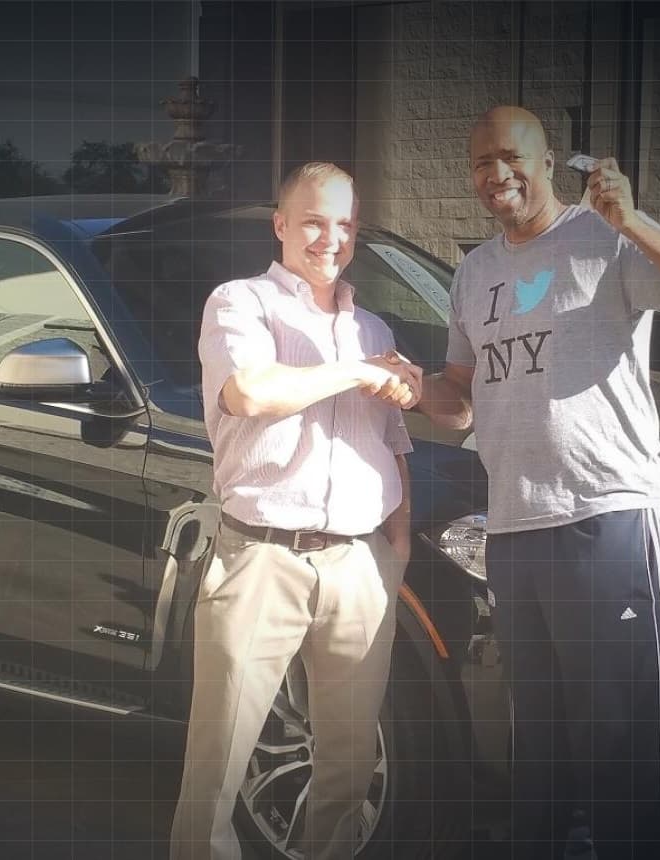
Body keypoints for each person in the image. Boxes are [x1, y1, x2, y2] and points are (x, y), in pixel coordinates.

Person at [417, 105, 660, 859]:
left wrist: (636, 222)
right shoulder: (474, 272)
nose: (495, 174)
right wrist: (410, 386)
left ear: (546, 160)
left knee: (629, 762)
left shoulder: (606, 238)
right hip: (514, 532)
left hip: (610, 522)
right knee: (541, 765)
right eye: (480, 163)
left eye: (511, 157)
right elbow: (461, 401)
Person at [170, 161, 423, 860]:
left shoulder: (372, 328)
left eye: (345, 224)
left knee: (349, 768)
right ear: (280, 224)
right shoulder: (240, 303)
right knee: (216, 769)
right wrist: (360, 372)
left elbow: (394, 444)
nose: (330, 238)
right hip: (260, 557)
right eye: (313, 221)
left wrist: (395, 552)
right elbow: (250, 392)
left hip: (359, 565)